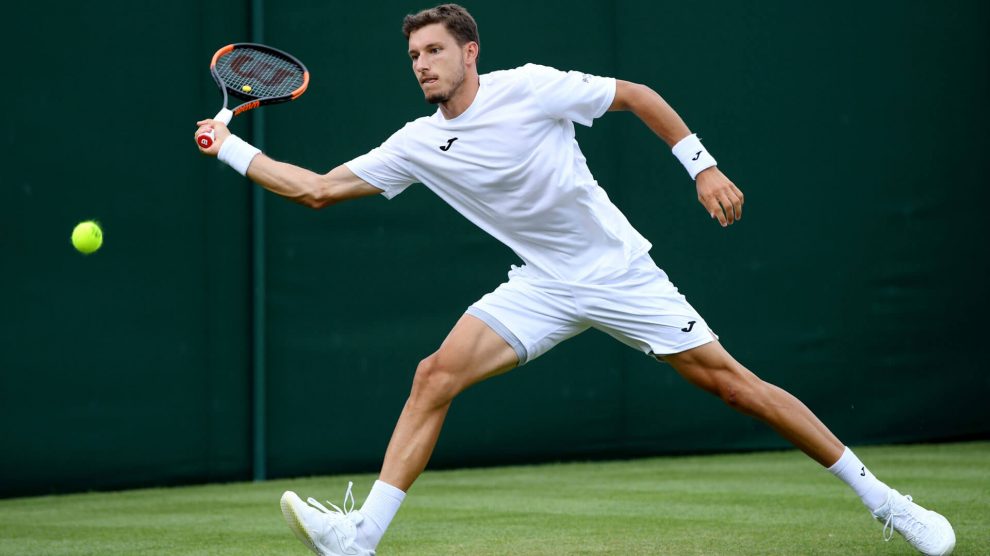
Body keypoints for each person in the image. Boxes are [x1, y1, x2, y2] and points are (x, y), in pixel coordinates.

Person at [195, 4, 955, 555]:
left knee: (735, 387)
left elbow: (635, 96)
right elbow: (317, 189)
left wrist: (703, 167)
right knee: (434, 376)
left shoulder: (530, 87)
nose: (421, 64)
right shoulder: (418, 143)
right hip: (543, 284)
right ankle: (361, 538)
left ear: (469, 52)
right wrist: (228, 146)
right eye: (413, 55)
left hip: (617, 272)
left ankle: (888, 502)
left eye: (434, 50)